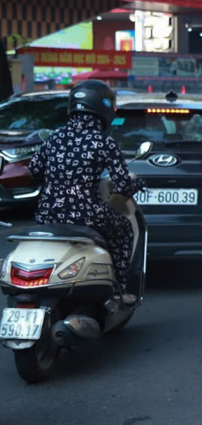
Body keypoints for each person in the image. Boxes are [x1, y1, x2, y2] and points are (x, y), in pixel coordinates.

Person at [28, 80, 144, 305]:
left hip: (47, 213)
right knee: (124, 231)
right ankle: (119, 290)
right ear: (104, 108)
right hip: (87, 213)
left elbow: (33, 170)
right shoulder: (103, 141)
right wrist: (138, 185)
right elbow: (123, 185)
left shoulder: (55, 136)